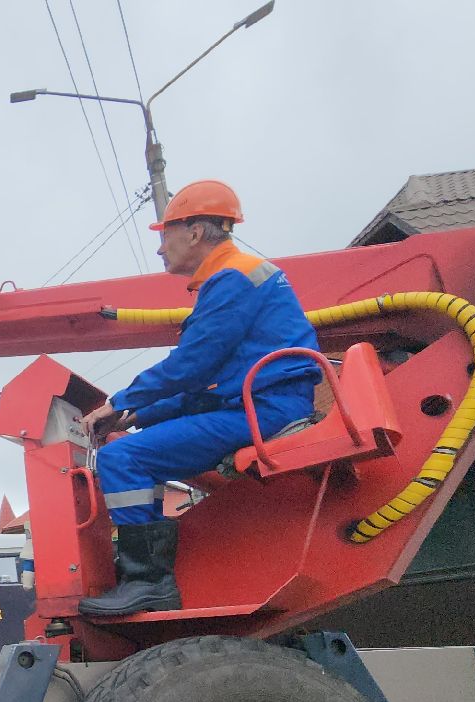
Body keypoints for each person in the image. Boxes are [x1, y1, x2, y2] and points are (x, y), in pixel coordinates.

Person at [76, 180, 321, 617]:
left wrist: (119, 402)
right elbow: (206, 382)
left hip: (262, 410)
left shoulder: (232, 280)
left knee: (123, 460)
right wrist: (137, 414)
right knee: (131, 450)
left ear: (194, 232)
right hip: (261, 403)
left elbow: (194, 365)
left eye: (164, 236)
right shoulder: (239, 276)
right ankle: (146, 574)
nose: (159, 249)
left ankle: (148, 581)